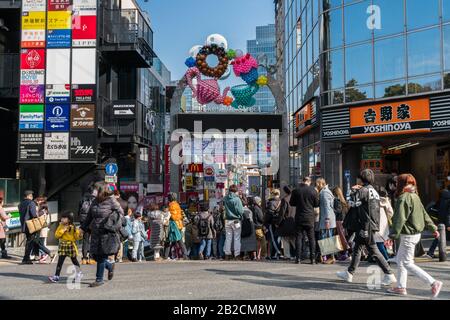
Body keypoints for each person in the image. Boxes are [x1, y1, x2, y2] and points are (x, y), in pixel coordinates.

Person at [336, 169, 396, 286]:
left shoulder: (363, 190)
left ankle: (389, 274)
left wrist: (353, 192)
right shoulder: (373, 190)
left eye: (358, 178)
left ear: (361, 179)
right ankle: (349, 273)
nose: (357, 180)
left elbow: (352, 204)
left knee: (373, 250)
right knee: (358, 248)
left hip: (365, 225)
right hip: (370, 224)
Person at [387, 174, 443, 298]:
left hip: (408, 235)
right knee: (401, 261)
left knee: (407, 263)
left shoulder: (403, 198)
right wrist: (433, 228)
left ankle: (433, 282)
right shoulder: (415, 196)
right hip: (416, 234)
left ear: (400, 185)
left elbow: (399, 219)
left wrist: (392, 236)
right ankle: (401, 287)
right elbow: (424, 213)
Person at [80, 182, 124, 287]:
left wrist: (111, 221)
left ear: (101, 190)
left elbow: (121, 213)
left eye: (96, 189)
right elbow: (89, 216)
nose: (94, 192)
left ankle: (99, 279)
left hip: (107, 232)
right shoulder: (94, 201)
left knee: (101, 255)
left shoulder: (111, 200)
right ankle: (109, 266)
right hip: (95, 231)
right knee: (94, 255)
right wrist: (82, 228)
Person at [290, 177, 319, 264]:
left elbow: (292, 203)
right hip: (310, 217)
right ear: (309, 182)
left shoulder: (296, 190)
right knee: (311, 238)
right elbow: (316, 204)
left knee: (298, 237)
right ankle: (312, 259)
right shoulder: (313, 190)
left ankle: (298, 258)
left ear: (303, 181)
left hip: (299, 217)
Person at [19, 190, 52, 264]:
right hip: (31, 226)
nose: (32, 197)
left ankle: (26, 258)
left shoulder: (20, 204)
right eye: (31, 196)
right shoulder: (31, 203)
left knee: (29, 241)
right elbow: (33, 214)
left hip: (24, 225)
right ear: (28, 196)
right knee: (31, 242)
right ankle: (26, 259)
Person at [48, 212, 83, 283]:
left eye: (64, 218)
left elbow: (76, 237)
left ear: (69, 220)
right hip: (63, 245)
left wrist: (79, 233)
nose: (62, 219)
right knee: (60, 261)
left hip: (70, 245)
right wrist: (63, 230)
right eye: (62, 217)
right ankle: (56, 276)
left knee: (74, 260)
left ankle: (79, 273)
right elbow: (56, 235)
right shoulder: (60, 226)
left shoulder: (73, 227)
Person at [425, 184, 450, 259]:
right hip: (447, 220)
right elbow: (449, 213)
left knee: (440, 236)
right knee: (441, 236)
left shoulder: (443, 196)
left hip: (441, 218)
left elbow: (437, 206)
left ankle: (430, 252)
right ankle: (431, 252)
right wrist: (448, 224)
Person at [316, 178, 337, 264]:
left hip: (326, 219)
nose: (316, 186)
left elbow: (327, 207)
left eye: (317, 184)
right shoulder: (325, 192)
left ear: (321, 184)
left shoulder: (324, 193)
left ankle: (331, 257)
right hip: (326, 219)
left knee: (327, 238)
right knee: (326, 238)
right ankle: (324, 256)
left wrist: (327, 220)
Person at [223, 185, 244, 260]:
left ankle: (227, 254)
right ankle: (237, 255)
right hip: (236, 220)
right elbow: (241, 211)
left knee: (228, 238)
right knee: (237, 238)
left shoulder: (225, 198)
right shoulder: (237, 199)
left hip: (227, 220)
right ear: (236, 191)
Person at [373, 186, 394, 261]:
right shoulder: (386, 201)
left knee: (379, 242)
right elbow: (391, 213)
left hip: (375, 222)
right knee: (382, 240)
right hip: (384, 224)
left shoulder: (373, 200)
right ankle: (382, 256)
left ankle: (385, 258)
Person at [78, 185, 97, 265]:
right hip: (93, 222)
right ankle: (91, 258)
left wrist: (81, 222)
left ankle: (84, 258)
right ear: (94, 192)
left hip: (84, 222)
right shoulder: (96, 200)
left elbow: (78, 211)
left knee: (85, 240)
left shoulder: (82, 199)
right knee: (93, 240)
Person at [277, 186, 296, 260]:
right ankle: (298, 253)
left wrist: (278, 222)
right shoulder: (296, 198)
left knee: (285, 239)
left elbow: (282, 213)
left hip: (287, 222)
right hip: (294, 221)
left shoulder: (285, 199)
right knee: (293, 239)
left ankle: (287, 255)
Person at [332, 186, 350, 261]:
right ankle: (345, 253)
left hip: (338, 221)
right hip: (343, 221)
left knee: (339, 237)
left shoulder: (336, 200)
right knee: (342, 237)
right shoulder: (343, 200)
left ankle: (343, 253)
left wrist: (331, 209)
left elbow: (338, 210)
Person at [265, 189, 282, 260]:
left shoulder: (271, 202)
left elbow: (269, 214)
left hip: (272, 222)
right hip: (279, 222)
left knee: (273, 238)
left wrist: (266, 223)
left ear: (272, 194)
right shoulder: (281, 201)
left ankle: (277, 252)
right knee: (278, 238)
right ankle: (275, 254)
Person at [35, 196, 51, 263]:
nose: (38, 203)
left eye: (39, 202)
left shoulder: (41, 212)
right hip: (44, 229)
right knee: (40, 243)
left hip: (42, 230)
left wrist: (36, 210)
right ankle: (43, 256)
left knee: (40, 244)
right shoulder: (46, 211)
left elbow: (36, 217)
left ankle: (47, 253)